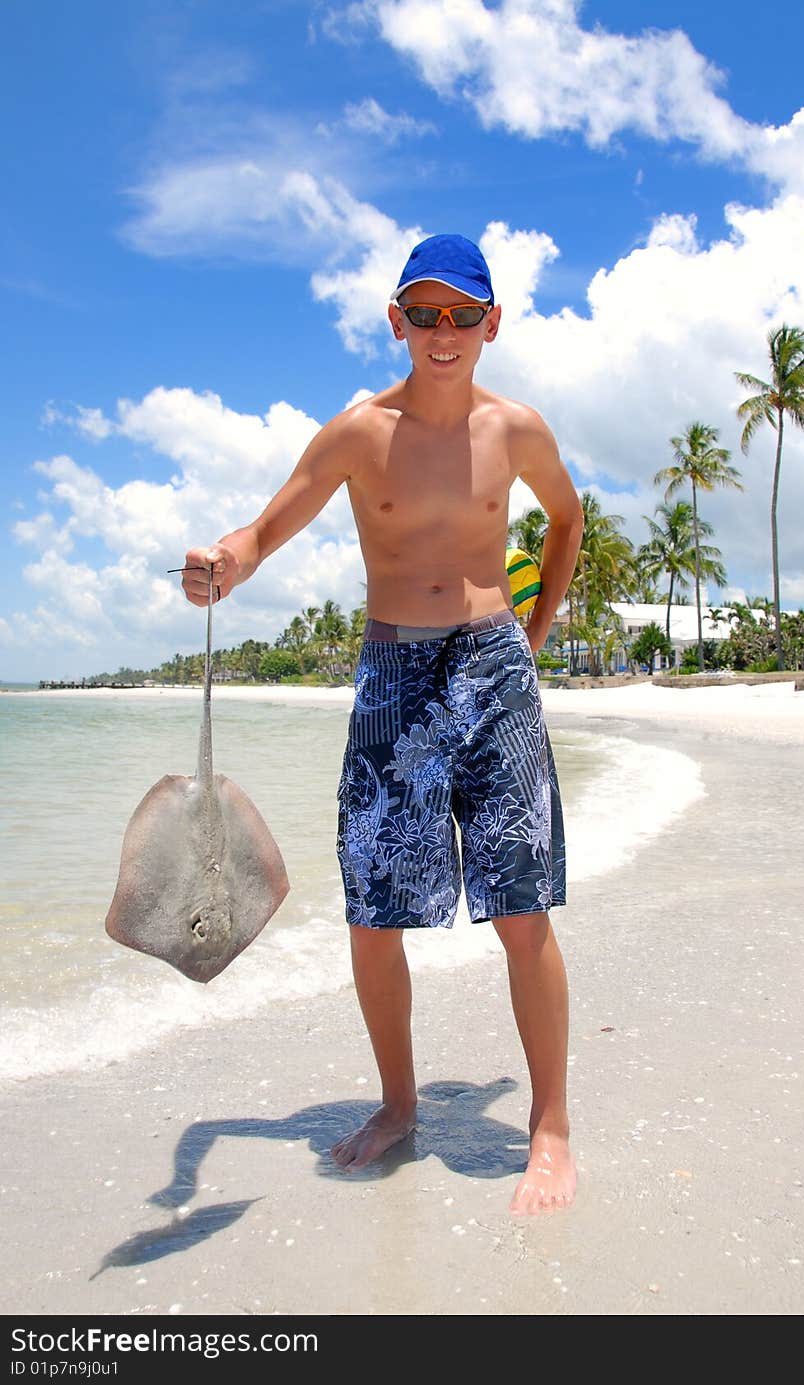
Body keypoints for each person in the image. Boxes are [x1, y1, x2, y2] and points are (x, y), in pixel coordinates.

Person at [182, 233, 584, 1214]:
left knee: (521, 912)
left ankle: (550, 1124)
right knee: (373, 919)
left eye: (460, 314)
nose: (440, 332)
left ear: (492, 323)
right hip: (391, 678)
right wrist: (226, 562)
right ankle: (399, 1104)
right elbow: (269, 523)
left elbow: (567, 520)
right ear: (394, 320)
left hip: (493, 667)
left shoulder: (517, 429)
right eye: (422, 313)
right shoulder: (359, 431)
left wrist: (530, 634)